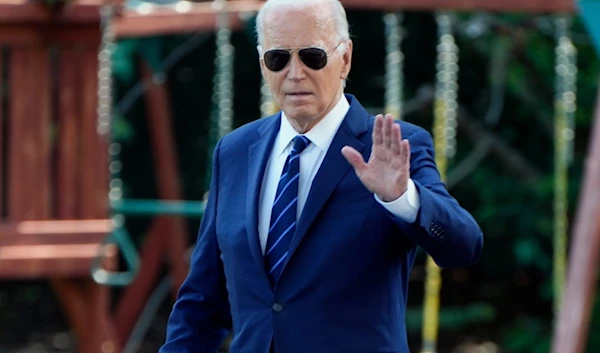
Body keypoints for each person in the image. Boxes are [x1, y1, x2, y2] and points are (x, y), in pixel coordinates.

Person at [159, 0, 483, 352]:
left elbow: (463, 246)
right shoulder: (235, 151)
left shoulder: (392, 147)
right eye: (278, 58)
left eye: (312, 56)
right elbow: (203, 301)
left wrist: (401, 198)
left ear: (344, 58)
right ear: (262, 64)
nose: (295, 73)